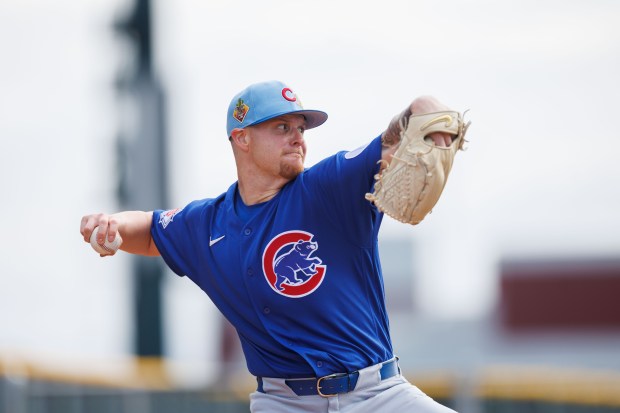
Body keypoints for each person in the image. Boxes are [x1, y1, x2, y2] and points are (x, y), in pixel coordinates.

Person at [80, 80, 460, 412]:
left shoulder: (329, 188)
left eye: (301, 127)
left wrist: (431, 115)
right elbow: (149, 228)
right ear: (241, 137)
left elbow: (401, 132)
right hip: (282, 402)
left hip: (375, 395)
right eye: (282, 127)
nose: (298, 136)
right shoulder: (208, 225)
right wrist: (112, 225)